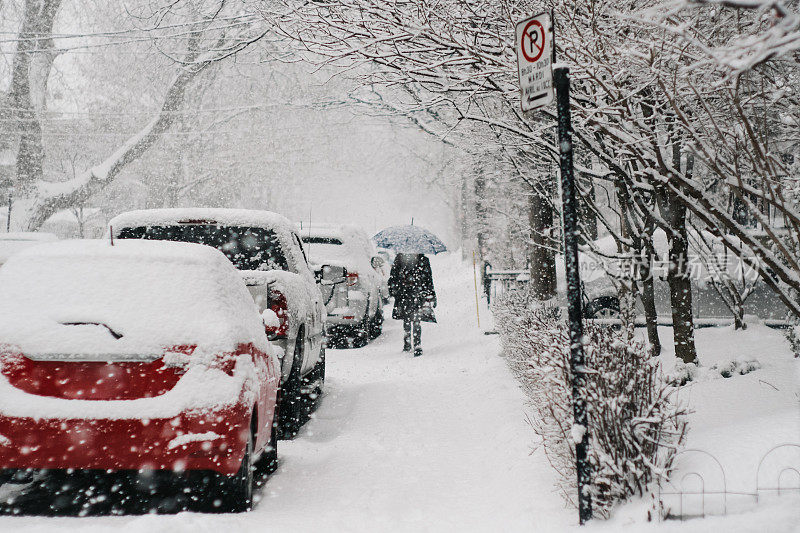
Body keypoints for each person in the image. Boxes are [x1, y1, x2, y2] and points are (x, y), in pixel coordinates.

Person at [388, 253, 436, 357]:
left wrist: (431, 294)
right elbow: (394, 277)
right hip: (408, 293)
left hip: (413, 293)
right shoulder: (402, 259)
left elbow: (428, 278)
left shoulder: (402, 259)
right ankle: (411, 343)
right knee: (411, 319)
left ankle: (413, 344)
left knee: (413, 319)